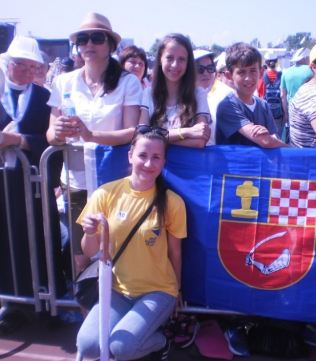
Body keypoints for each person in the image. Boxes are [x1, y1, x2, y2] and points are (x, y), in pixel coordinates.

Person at [76, 126, 186, 361]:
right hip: (116, 290)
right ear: (130, 156)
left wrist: (177, 289)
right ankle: (136, 344)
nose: (148, 163)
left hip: (158, 292)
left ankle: (158, 345)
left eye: (156, 157)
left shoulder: (172, 202)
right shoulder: (105, 193)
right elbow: (89, 250)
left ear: (164, 161)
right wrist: (89, 231)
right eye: (142, 155)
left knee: (121, 346)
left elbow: (175, 253)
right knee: (88, 345)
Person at [46, 12, 142, 277]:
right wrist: (59, 133)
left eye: (96, 38)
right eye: (83, 39)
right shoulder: (63, 82)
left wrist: (90, 135)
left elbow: (132, 132)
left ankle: (112, 317)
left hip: (114, 182)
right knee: (81, 260)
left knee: (117, 257)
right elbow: (51, 136)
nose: (89, 44)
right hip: (76, 182)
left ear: (110, 45)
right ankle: (88, 318)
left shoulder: (128, 82)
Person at [0, 35, 66, 334]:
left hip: (32, 186)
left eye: (31, 67)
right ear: (7, 64)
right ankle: (12, 305)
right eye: (20, 65)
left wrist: (19, 141)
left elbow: (52, 142)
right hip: (3, 188)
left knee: (41, 238)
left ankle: (49, 301)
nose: (26, 72)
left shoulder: (44, 98)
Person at [139, 33, 210, 148]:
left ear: (188, 63)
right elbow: (141, 135)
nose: (175, 65)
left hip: (187, 164)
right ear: (160, 60)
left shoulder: (198, 93)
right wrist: (186, 132)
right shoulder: (149, 93)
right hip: (156, 165)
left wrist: (156, 137)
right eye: (169, 58)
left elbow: (200, 140)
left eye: (182, 59)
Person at [215, 42, 288, 148]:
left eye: (253, 71)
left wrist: (268, 135)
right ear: (229, 76)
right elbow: (266, 141)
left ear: (261, 72)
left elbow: (273, 137)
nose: (248, 78)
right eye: (241, 72)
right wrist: (293, 150)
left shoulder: (263, 105)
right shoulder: (227, 106)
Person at [280, 47, 313, 125]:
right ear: (305, 58)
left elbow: (282, 96)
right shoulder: (311, 70)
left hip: (292, 108)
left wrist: (286, 113)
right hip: (308, 108)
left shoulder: (285, 72)